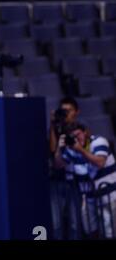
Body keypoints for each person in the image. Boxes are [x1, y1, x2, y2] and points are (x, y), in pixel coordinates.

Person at [55, 122, 116, 239]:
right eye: (72, 136)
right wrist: (59, 147)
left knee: (110, 233)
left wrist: (81, 150)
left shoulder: (98, 141)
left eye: (78, 134)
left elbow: (100, 162)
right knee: (90, 231)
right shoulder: (71, 149)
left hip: (109, 196)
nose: (77, 139)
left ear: (85, 132)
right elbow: (58, 165)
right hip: (88, 197)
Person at [48, 97, 83, 239]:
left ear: (76, 112)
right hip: (57, 179)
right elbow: (52, 149)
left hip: (75, 180)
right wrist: (52, 124)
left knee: (75, 223)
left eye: (69, 111)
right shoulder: (56, 128)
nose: (66, 114)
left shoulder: (81, 128)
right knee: (56, 224)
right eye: (63, 111)